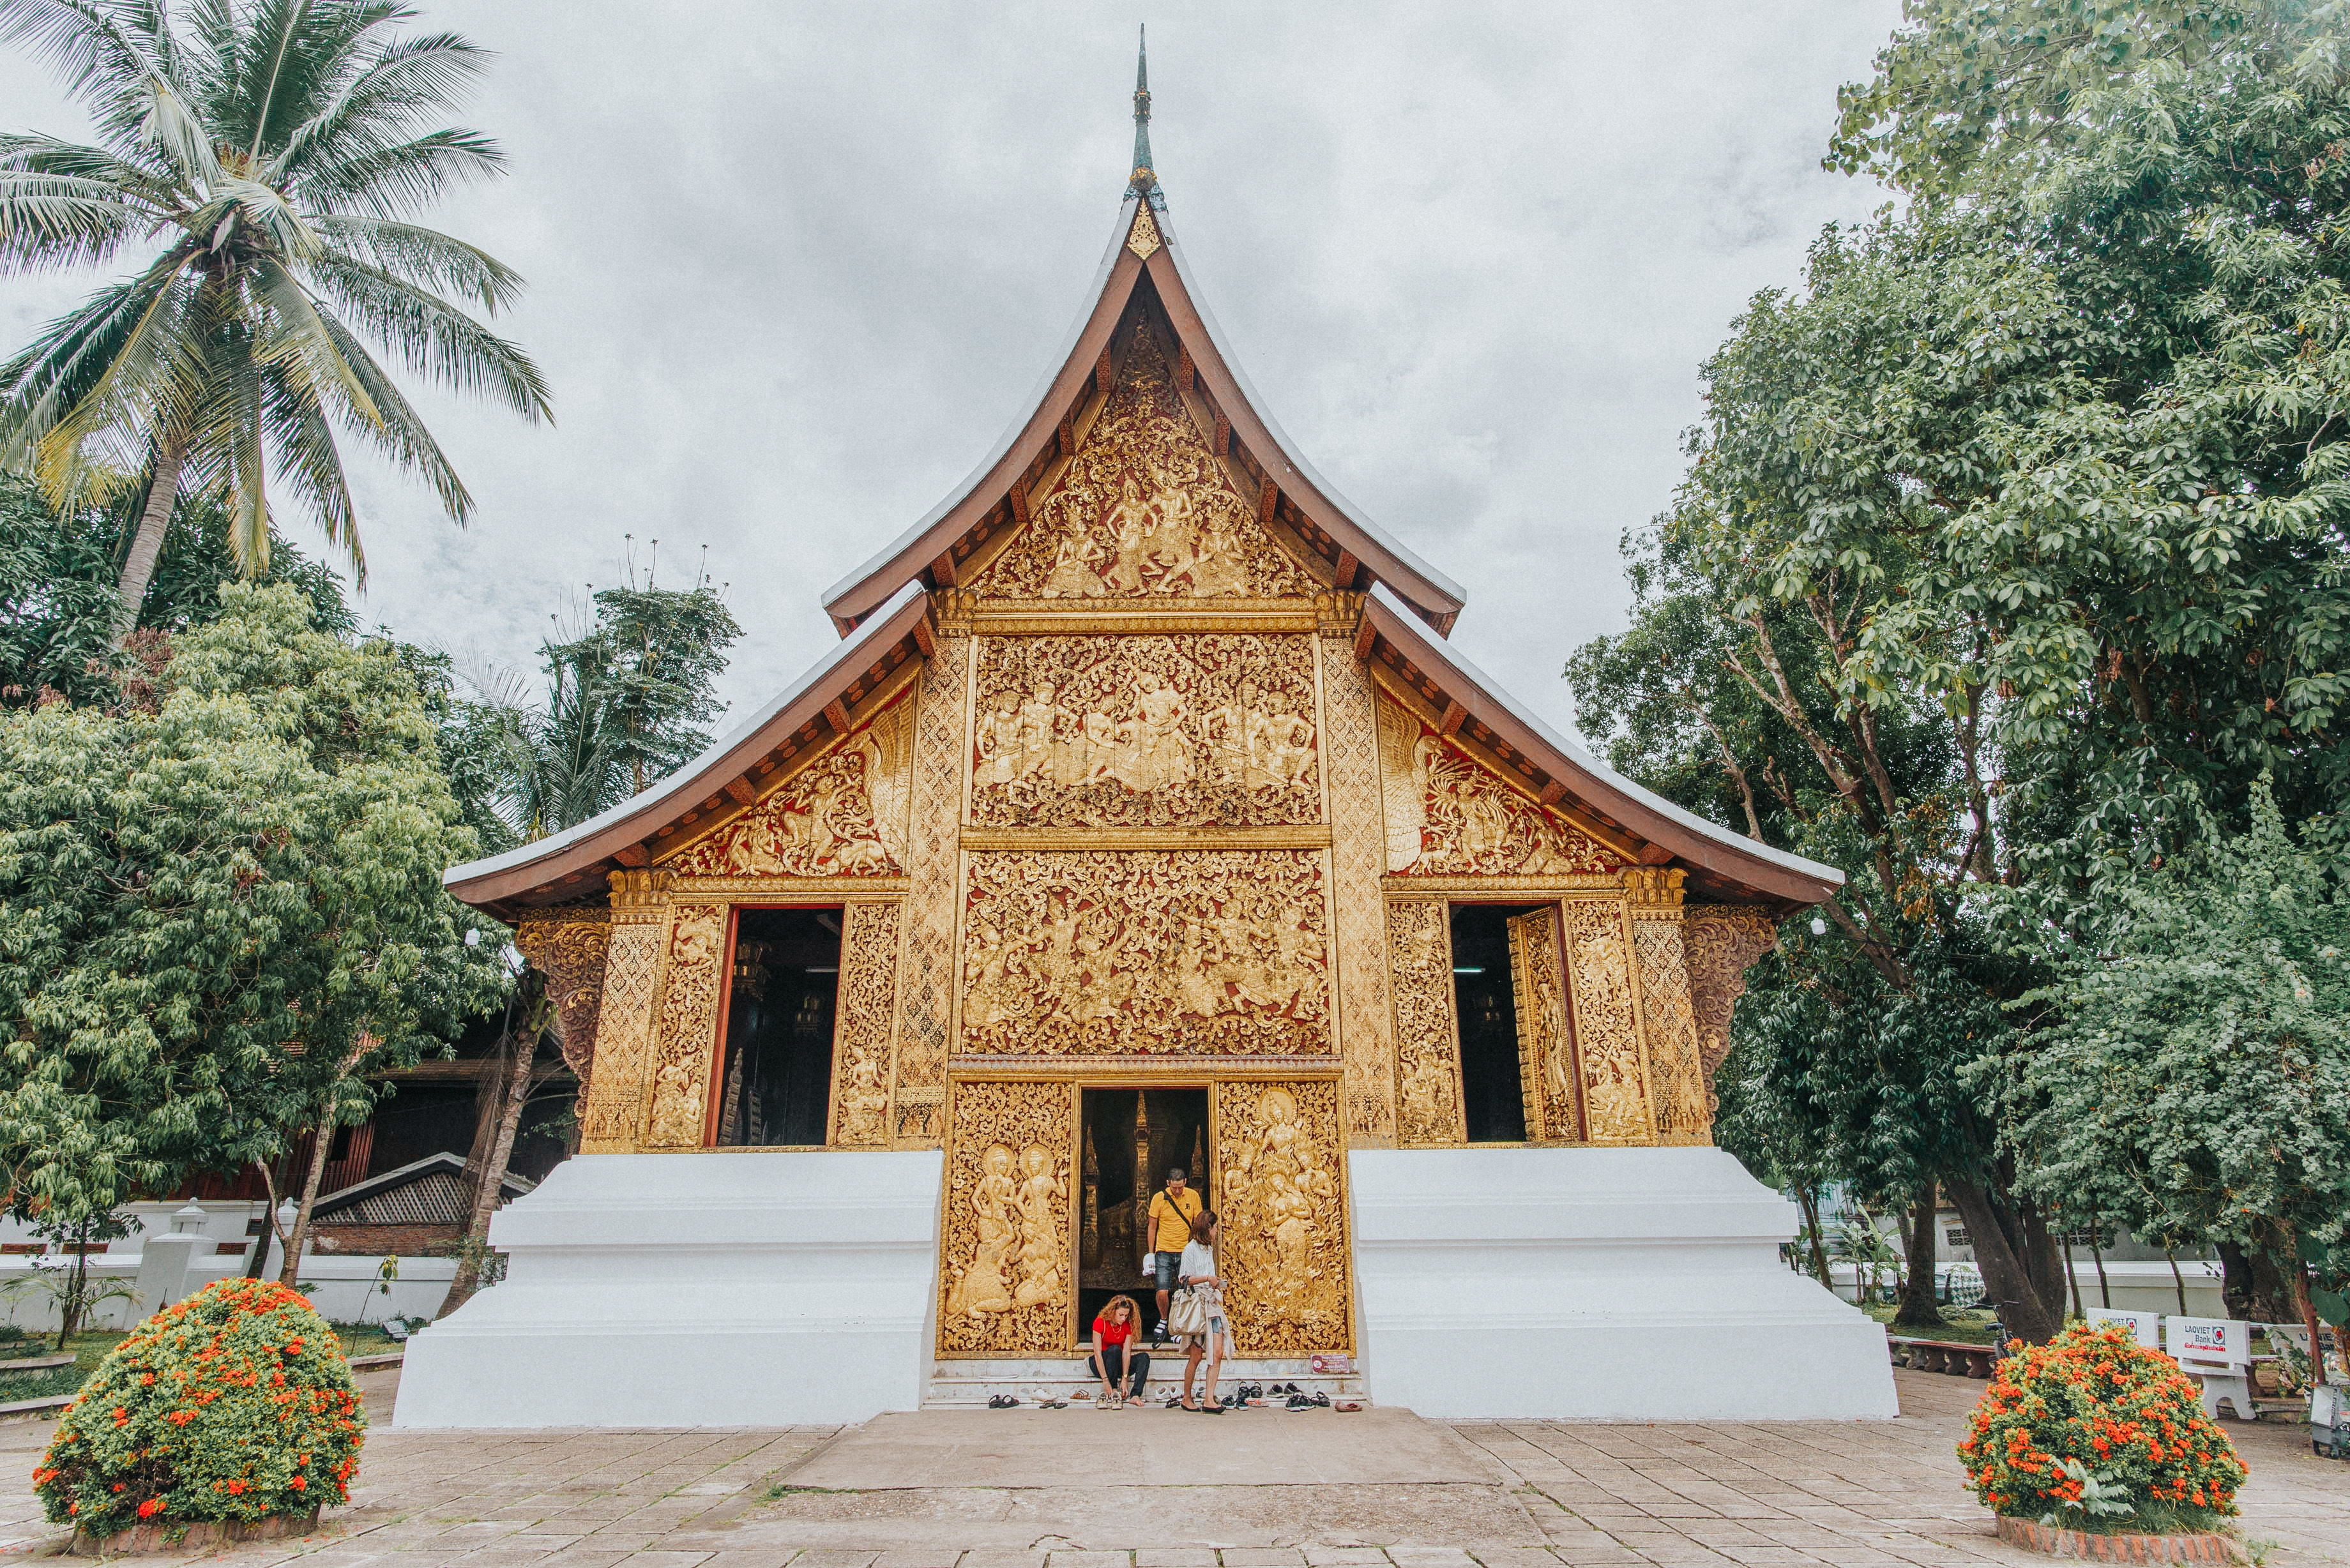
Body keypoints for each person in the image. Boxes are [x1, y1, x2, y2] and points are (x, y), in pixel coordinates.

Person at [1178, 1209, 1233, 1413]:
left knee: (1217, 1352)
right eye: (1216, 1227)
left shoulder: (1209, 1249)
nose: (1217, 1231)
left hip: (1211, 1304)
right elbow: (1184, 1279)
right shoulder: (1190, 1249)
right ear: (1207, 1228)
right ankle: (1186, 1396)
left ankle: (1209, 1398)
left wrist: (1216, 1283)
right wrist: (1207, 1279)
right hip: (1198, 1306)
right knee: (1196, 1355)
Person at [1147, 1166, 1203, 1343]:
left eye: (1180, 1187)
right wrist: (1150, 1254)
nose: (1177, 1191)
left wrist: (1198, 1249)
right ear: (1168, 1183)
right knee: (1162, 1291)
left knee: (1183, 1292)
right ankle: (1164, 1319)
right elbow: (1152, 1226)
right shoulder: (1159, 1198)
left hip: (1185, 1251)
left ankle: (1178, 1325)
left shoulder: (1193, 1196)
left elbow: (1198, 1224)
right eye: (1174, 1188)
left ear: (1185, 1182)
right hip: (1163, 1250)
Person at [1086, 1295, 1149, 1408]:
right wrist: (1106, 1380)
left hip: (1117, 1362)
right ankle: (1114, 1389)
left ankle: (1135, 1395)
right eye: (1121, 1315)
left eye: (1126, 1316)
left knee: (1144, 1357)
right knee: (1114, 1350)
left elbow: (1126, 1353)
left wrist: (1125, 1378)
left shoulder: (1127, 1325)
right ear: (1112, 1311)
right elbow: (1097, 1353)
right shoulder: (1100, 1322)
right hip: (1101, 1364)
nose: (1123, 1319)